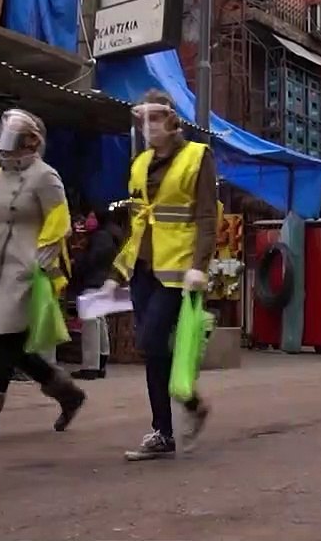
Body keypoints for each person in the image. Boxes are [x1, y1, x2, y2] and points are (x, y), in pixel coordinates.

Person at [0, 110, 86, 446]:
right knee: (12, 344)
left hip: (25, 266)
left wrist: (46, 256)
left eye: (16, 137)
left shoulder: (45, 176)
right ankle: (67, 393)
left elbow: (60, 220)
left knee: (0, 340)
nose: (6, 145)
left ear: (32, 140)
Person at [105, 91, 216, 460]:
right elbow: (136, 223)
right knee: (151, 350)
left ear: (172, 121)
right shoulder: (139, 164)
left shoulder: (197, 157)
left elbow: (205, 217)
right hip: (143, 270)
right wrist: (116, 271)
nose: (149, 127)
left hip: (179, 271)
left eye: (156, 119)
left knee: (152, 339)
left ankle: (184, 402)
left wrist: (200, 266)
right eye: (144, 119)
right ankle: (164, 431)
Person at [67, 204, 128, 380]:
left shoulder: (101, 237)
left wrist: (78, 260)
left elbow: (93, 260)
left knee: (91, 323)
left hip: (95, 280)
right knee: (99, 321)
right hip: (104, 280)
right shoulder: (112, 234)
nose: (88, 221)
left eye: (91, 216)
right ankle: (100, 359)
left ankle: (90, 365)